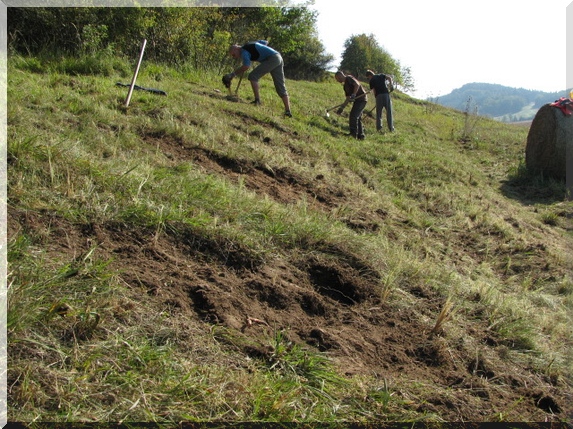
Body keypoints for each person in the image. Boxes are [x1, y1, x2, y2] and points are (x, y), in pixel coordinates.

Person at [223, 40, 292, 117]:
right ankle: (288, 111)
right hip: (278, 57)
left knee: (253, 76)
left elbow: (246, 66)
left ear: (236, 49)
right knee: (280, 86)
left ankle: (257, 100)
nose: (234, 57)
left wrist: (233, 74)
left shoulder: (244, 52)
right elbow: (265, 42)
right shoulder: (249, 44)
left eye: (233, 55)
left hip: (271, 59)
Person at [334, 71, 368, 139]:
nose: (337, 81)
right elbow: (347, 98)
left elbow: (357, 84)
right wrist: (342, 107)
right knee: (358, 118)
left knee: (353, 116)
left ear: (339, 76)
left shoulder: (349, 78)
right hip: (357, 101)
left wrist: (354, 94)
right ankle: (361, 136)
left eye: (337, 79)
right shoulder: (345, 87)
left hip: (361, 99)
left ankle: (353, 134)